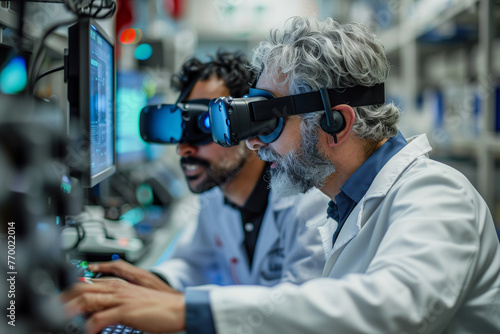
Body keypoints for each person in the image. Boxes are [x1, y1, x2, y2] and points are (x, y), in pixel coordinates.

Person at [63, 18, 500, 334]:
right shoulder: (345, 205)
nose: (254, 144)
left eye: (267, 123)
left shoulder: (437, 195)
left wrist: (190, 310)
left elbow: (396, 309)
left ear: (335, 124)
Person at [80, 51, 329, 293]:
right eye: (181, 127)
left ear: (250, 125)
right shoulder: (216, 197)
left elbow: (295, 309)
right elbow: (192, 264)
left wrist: (187, 311)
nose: (183, 149)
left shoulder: (309, 200)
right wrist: (148, 282)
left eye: (207, 124)